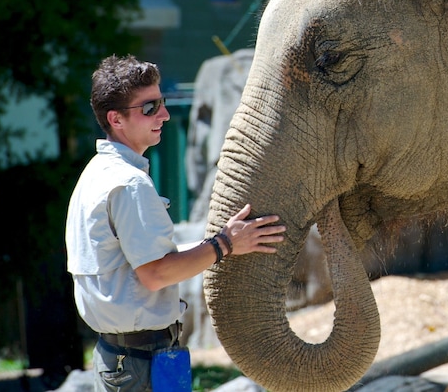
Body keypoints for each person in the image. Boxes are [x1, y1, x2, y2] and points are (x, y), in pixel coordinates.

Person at [65, 55, 285, 391]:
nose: (164, 115)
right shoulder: (129, 184)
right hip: (141, 363)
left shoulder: (95, 173)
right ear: (116, 119)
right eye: (149, 108)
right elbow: (155, 274)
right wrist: (225, 244)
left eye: (162, 103)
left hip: (122, 356)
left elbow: (136, 264)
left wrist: (219, 244)